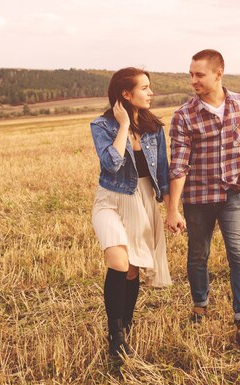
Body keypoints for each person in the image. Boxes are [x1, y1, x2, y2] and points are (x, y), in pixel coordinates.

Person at [165, 49, 240, 347]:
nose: (193, 80)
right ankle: (200, 306)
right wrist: (173, 209)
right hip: (197, 197)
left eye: (199, 74)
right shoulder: (184, 116)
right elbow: (179, 166)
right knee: (198, 255)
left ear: (218, 73)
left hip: (234, 192)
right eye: (191, 75)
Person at [90, 67, 172, 360]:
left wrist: (173, 210)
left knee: (133, 268)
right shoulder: (102, 126)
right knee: (119, 262)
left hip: (143, 201)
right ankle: (115, 338)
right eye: (145, 88)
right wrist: (124, 126)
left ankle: (125, 328)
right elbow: (111, 164)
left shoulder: (154, 129)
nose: (151, 93)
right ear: (126, 94)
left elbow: (163, 171)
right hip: (111, 201)